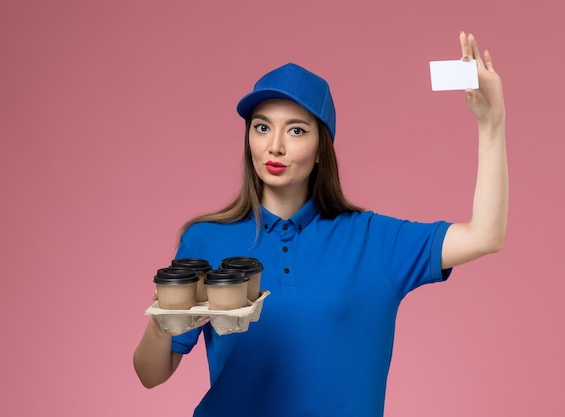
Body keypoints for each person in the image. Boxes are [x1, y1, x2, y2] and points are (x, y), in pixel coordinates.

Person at [133, 32, 507, 417]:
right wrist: (162, 321)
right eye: (262, 127)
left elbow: (485, 236)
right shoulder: (206, 241)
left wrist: (492, 124)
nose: (274, 145)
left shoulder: (372, 240)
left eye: (296, 130)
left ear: (320, 149)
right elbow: (151, 374)